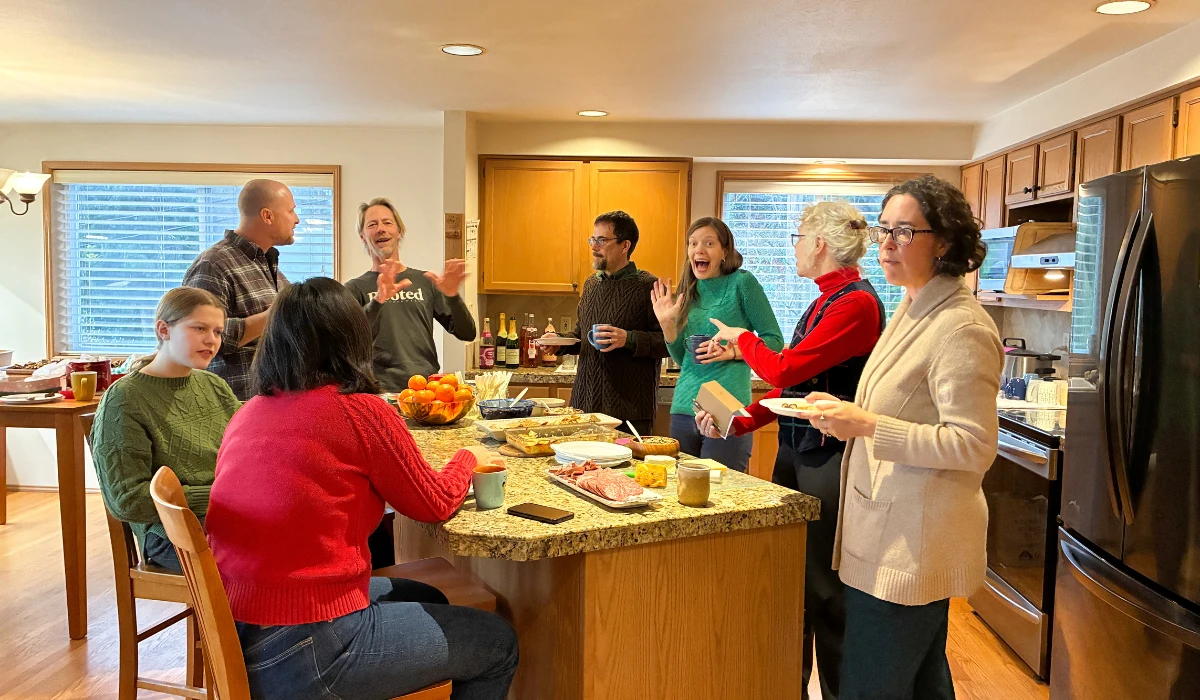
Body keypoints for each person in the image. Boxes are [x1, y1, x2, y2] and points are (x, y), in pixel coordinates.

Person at [205, 277, 518, 700]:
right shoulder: (357, 410)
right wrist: (467, 458)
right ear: (352, 335)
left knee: (426, 595)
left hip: (243, 630)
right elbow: (436, 503)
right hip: (309, 648)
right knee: (497, 642)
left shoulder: (250, 410)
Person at [797, 175, 1001, 700]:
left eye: (904, 232)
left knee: (872, 687)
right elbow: (896, 405)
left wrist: (866, 426)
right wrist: (846, 411)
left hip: (910, 549)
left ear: (947, 243)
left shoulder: (961, 327)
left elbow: (973, 444)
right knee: (924, 686)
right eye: (885, 228)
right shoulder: (912, 309)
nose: (886, 243)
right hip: (885, 535)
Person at [695, 201, 884, 699]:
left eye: (798, 238)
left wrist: (744, 339)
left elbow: (781, 370)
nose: (794, 247)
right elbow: (795, 389)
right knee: (790, 583)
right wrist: (742, 420)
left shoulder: (855, 304)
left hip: (828, 457)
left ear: (820, 244)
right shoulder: (825, 299)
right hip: (798, 450)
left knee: (825, 590)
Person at [92, 287, 240, 573]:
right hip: (167, 534)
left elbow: (246, 459)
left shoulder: (214, 386)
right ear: (163, 329)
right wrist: (219, 496)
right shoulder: (124, 399)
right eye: (199, 328)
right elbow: (127, 501)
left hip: (226, 518)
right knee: (257, 563)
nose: (211, 340)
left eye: (218, 332)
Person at [649, 217, 783, 472]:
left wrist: (732, 352)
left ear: (724, 251)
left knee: (724, 491)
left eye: (708, 243)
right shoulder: (689, 291)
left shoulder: (742, 284)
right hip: (684, 407)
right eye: (693, 243)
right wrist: (667, 325)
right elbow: (683, 358)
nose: (698, 250)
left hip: (727, 408)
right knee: (684, 494)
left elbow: (774, 341)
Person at [541, 211, 668, 435]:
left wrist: (627, 339)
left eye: (602, 240)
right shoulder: (591, 285)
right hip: (584, 406)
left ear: (624, 245)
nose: (594, 246)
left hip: (630, 412)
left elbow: (669, 343)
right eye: (593, 240)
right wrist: (559, 342)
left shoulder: (650, 287)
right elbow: (583, 337)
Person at [344, 198, 477, 391]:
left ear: (400, 231)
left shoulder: (425, 281)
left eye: (387, 222)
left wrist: (452, 296)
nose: (381, 228)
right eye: (372, 225)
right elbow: (348, 340)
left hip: (426, 392)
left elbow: (467, 333)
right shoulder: (353, 289)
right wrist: (378, 300)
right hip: (377, 393)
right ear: (363, 236)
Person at [182, 178, 297, 400]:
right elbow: (196, 338)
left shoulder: (271, 268)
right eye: (291, 211)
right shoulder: (213, 264)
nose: (297, 219)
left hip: (270, 406)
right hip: (230, 409)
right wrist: (271, 317)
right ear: (267, 216)